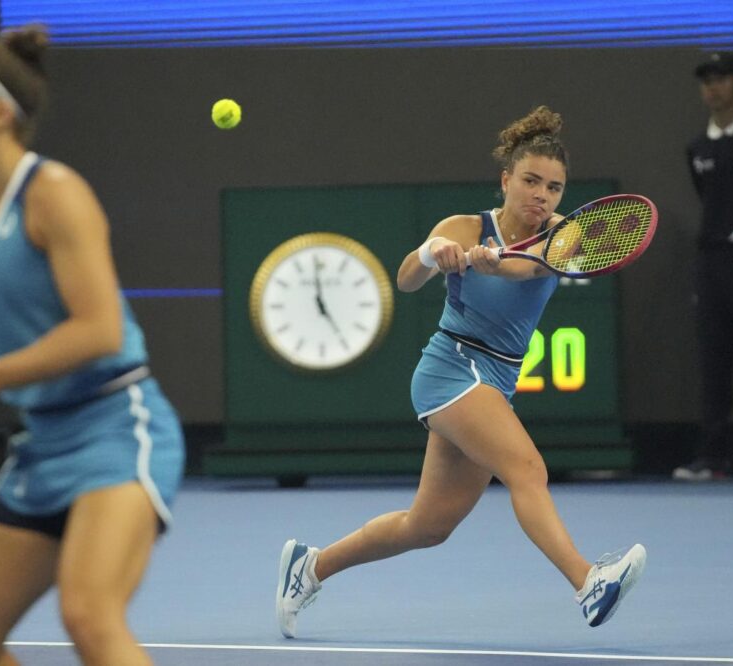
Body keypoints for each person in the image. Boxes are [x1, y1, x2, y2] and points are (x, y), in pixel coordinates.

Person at [276, 106, 647, 638]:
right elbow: (405, 280)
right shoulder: (462, 226)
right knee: (526, 468)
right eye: (531, 181)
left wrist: (491, 261)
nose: (542, 195)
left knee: (426, 527)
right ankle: (588, 582)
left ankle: (310, 567)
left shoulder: (563, 234)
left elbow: (524, 266)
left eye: (555, 187)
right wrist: (432, 252)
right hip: (451, 368)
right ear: (506, 180)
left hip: (495, 380)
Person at [0, 26, 185, 666]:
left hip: (118, 428)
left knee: (90, 615)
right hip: (43, 443)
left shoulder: (56, 195)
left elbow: (98, 331)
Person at [673, 52, 733, 482]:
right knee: (713, 361)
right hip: (711, 265)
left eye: (722, 78)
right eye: (706, 80)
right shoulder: (697, 148)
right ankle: (711, 457)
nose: (713, 87)